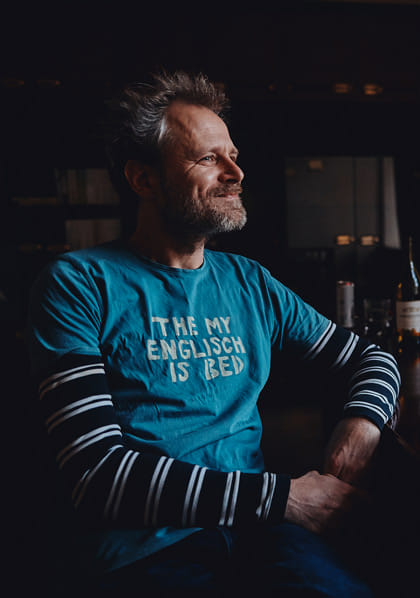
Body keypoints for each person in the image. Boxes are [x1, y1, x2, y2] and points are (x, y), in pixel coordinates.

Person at [27, 71, 401, 597]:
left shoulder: (249, 281)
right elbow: (98, 476)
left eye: (233, 155)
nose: (236, 173)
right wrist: (287, 498)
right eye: (208, 158)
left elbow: (372, 358)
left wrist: (363, 421)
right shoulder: (79, 283)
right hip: (147, 550)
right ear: (143, 179)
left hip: (262, 535)